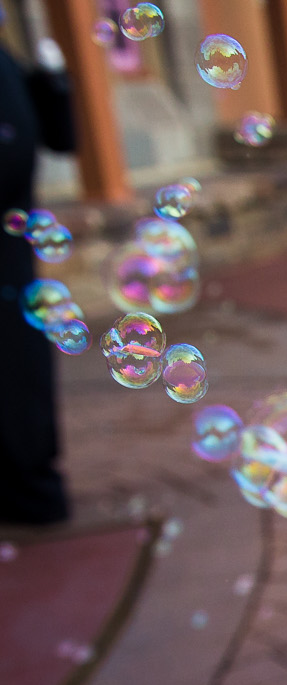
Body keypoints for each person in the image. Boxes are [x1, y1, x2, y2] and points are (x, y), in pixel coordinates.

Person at [0, 35, 76, 526]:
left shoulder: (9, 61)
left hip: (12, 255)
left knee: (21, 370)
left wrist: (54, 80)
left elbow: (62, 137)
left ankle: (31, 486)